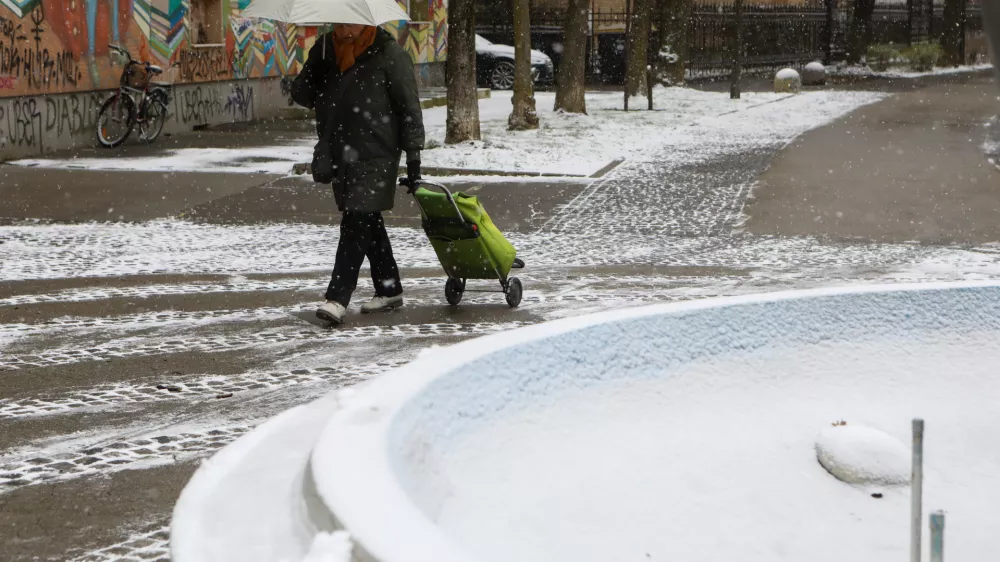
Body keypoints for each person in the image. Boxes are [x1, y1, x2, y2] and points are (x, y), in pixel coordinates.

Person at [291, 23, 425, 325]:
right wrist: (316, 69)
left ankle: (337, 298)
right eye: (340, 23)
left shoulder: (389, 54)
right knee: (367, 220)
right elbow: (302, 94)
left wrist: (413, 158)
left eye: (351, 23)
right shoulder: (326, 49)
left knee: (356, 220)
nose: (345, 29)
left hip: (377, 153)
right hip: (340, 151)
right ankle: (389, 288)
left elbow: (409, 109)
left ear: (367, 21)